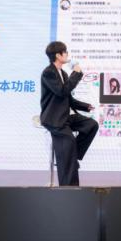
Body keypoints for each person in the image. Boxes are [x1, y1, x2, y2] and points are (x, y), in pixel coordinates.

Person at [40, 41, 98, 186]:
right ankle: (69, 187)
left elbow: (68, 98)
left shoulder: (64, 73)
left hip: (66, 116)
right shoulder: (48, 73)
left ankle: (72, 155)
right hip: (54, 119)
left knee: (91, 125)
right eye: (65, 52)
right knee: (69, 143)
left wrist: (85, 106)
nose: (67, 54)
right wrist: (76, 73)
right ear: (58, 55)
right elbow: (61, 91)